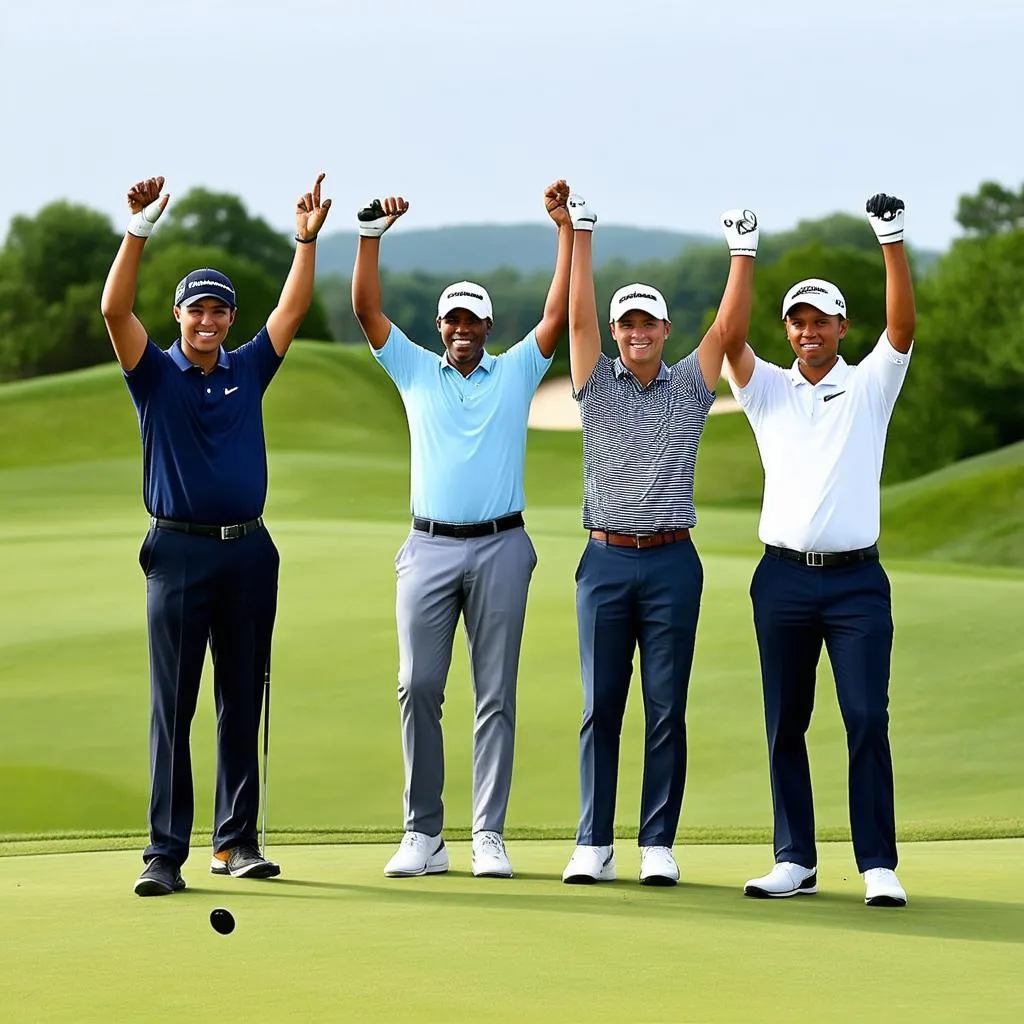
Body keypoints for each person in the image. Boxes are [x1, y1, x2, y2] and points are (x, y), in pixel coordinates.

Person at [101, 173, 332, 897]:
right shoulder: (154, 376)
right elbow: (113, 309)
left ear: (230, 320)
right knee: (175, 704)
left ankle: (236, 844)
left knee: (242, 693)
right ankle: (163, 854)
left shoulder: (248, 368)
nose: (208, 320)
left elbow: (292, 311)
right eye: (197, 309)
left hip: (248, 551)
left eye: (219, 311)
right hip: (177, 551)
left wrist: (304, 241)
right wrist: (137, 229)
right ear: (177, 315)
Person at [351, 182, 573, 880]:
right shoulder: (416, 369)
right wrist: (370, 237)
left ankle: (487, 834)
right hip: (428, 547)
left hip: (503, 544)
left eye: (472, 320)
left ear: (488, 324)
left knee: (495, 692)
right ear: (441, 324)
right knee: (417, 684)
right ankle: (424, 833)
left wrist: (565, 230)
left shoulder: (514, 373)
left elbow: (559, 314)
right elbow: (366, 309)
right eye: (452, 320)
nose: (460, 330)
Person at [560, 194, 759, 885]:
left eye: (647, 323)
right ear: (616, 333)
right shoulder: (593, 382)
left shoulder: (689, 387)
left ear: (666, 330)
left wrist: (743, 253)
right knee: (599, 707)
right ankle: (593, 842)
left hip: (674, 561)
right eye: (627, 324)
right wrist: (581, 232)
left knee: (666, 706)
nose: (636, 333)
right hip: (605, 560)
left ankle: (656, 844)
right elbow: (577, 315)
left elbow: (730, 326)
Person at [723, 194, 915, 908]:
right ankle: (795, 858)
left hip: (857, 584)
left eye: (820, 319)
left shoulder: (868, 387)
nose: (808, 330)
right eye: (797, 320)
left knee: (866, 717)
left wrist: (889, 238)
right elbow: (728, 335)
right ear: (790, 330)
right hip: (781, 581)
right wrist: (743, 255)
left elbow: (902, 327)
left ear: (840, 327)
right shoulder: (766, 390)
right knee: (786, 722)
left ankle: (877, 864)